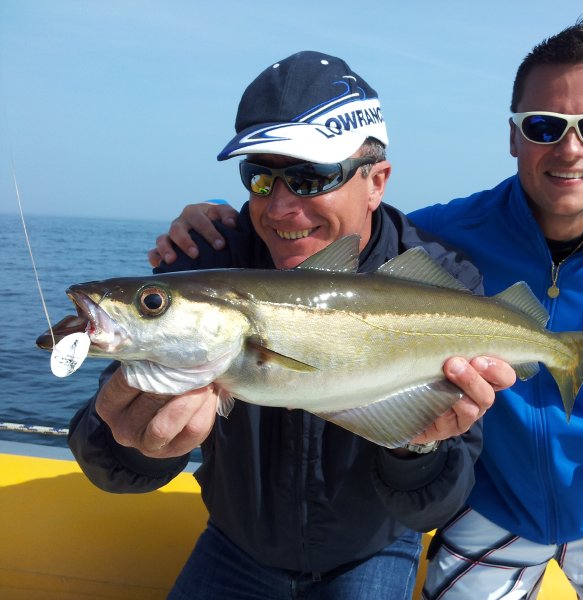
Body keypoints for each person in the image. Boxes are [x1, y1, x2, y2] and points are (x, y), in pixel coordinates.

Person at [151, 23, 583, 599]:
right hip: (495, 504)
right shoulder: (450, 234)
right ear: (514, 136)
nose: (569, 150)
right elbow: (344, 231)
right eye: (544, 127)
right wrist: (222, 220)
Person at [68, 50, 516, 600]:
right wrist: (130, 441)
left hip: (373, 550)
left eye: (310, 177)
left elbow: (436, 505)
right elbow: (109, 463)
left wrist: (414, 449)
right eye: (259, 177)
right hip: (236, 546)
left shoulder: (444, 287)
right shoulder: (198, 264)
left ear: (376, 181)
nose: (279, 207)